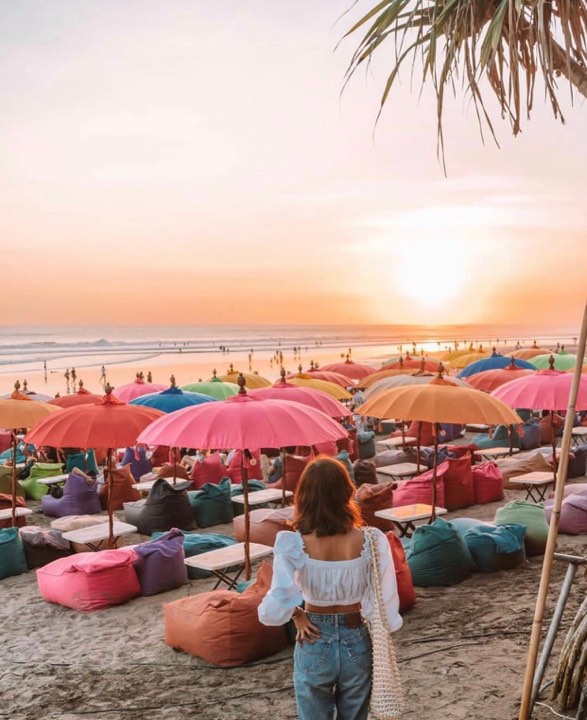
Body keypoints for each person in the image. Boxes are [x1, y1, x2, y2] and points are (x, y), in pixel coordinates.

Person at [258, 457, 402, 720]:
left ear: (304, 497)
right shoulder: (372, 540)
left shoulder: (292, 543)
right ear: (347, 492)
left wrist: (296, 614)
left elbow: (275, 606)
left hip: (313, 636)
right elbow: (386, 606)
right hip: (356, 636)